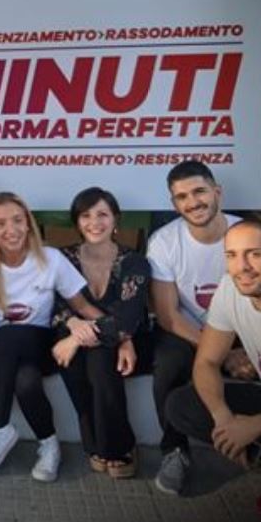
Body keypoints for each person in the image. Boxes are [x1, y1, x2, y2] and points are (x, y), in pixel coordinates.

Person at [165, 220, 261, 516]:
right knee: (181, 405)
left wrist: (255, 425)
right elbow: (207, 362)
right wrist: (223, 418)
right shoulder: (230, 288)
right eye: (232, 255)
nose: (242, 267)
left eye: (254, 254)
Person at [147, 160, 261, 495]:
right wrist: (221, 353)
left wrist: (248, 347)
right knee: (169, 364)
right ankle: (174, 451)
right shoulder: (164, 241)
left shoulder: (247, 234)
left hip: (245, 328)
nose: (193, 202)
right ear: (174, 204)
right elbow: (168, 315)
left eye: (199, 191)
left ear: (217, 192)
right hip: (188, 330)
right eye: (182, 197)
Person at [0, 192, 103, 481]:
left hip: (39, 343)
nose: (11, 230)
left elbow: (83, 307)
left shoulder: (50, 259)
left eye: (18, 220)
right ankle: (49, 446)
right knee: (25, 381)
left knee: (7, 336)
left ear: (28, 223)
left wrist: (118, 330)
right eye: (0, 223)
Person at [51, 187, 152, 479]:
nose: (94, 223)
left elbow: (127, 318)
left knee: (98, 360)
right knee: (75, 359)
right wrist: (72, 326)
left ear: (116, 219)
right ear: (77, 221)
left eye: (102, 215)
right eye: (86, 216)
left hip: (125, 340)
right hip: (77, 333)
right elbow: (53, 303)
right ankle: (103, 444)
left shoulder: (134, 261)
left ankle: (114, 445)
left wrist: (121, 339)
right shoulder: (63, 257)